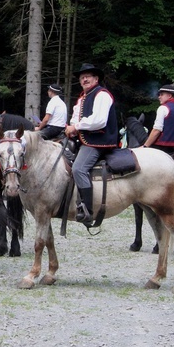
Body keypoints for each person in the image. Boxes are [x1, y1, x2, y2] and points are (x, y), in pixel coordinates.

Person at [65, 63, 118, 225]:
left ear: (96, 79)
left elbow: (99, 121)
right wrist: (72, 127)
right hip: (85, 139)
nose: (84, 79)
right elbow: (76, 117)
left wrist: (76, 127)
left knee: (78, 168)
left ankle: (87, 209)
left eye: (88, 76)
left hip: (98, 141)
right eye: (82, 77)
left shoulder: (102, 95)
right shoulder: (83, 98)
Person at [142, 84, 174, 154]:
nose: (159, 97)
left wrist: (145, 146)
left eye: (161, 94)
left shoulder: (163, 108)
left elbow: (157, 130)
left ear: (169, 96)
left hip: (162, 147)